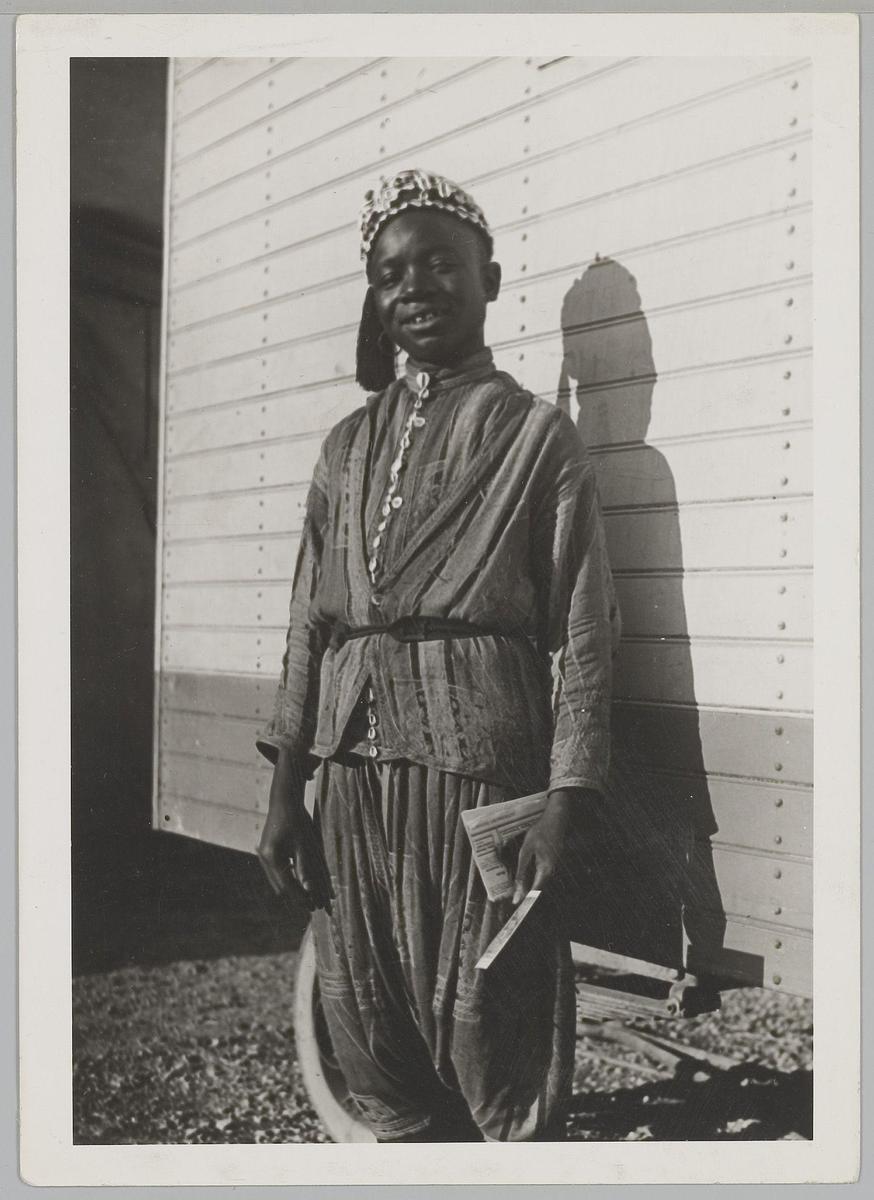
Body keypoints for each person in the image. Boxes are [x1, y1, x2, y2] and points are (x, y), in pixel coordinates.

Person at [256, 169, 619, 1143]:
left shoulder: (538, 440)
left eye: (439, 264)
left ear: (489, 279)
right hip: (350, 786)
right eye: (389, 273)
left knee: (494, 1036)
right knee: (371, 1034)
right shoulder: (344, 448)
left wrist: (565, 802)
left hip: (480, 783)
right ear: (373, 297)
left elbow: (584, 633)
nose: (414, 286)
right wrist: (285, 792)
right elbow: (308, 626)